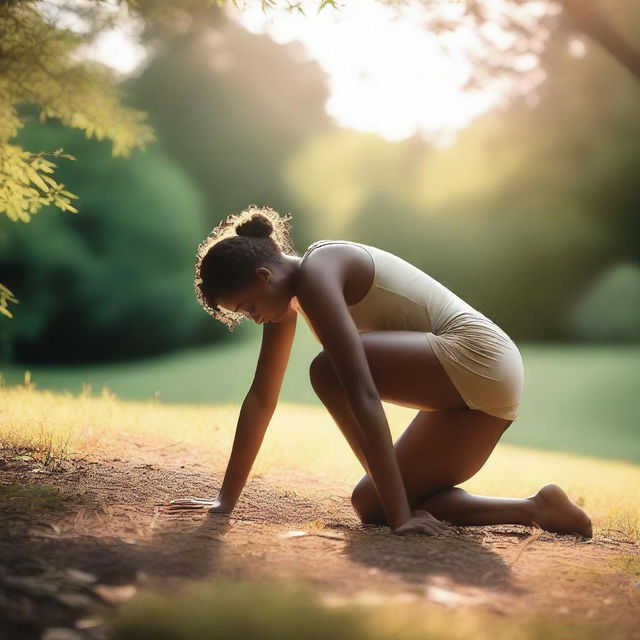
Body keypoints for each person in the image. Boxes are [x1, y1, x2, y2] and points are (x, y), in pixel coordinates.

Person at [168, 204, 593, 538]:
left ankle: (401, 508)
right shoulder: (289, 298)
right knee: (370, 502)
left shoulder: (318, 273)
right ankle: (537, 508)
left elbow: (361, 391)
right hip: (476, 388)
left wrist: (400, 519)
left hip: (476, 355)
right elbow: (262, 398)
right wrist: (225, 500)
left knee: (327, 371)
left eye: (248, 308)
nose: (254, 318)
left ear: (264, 276)